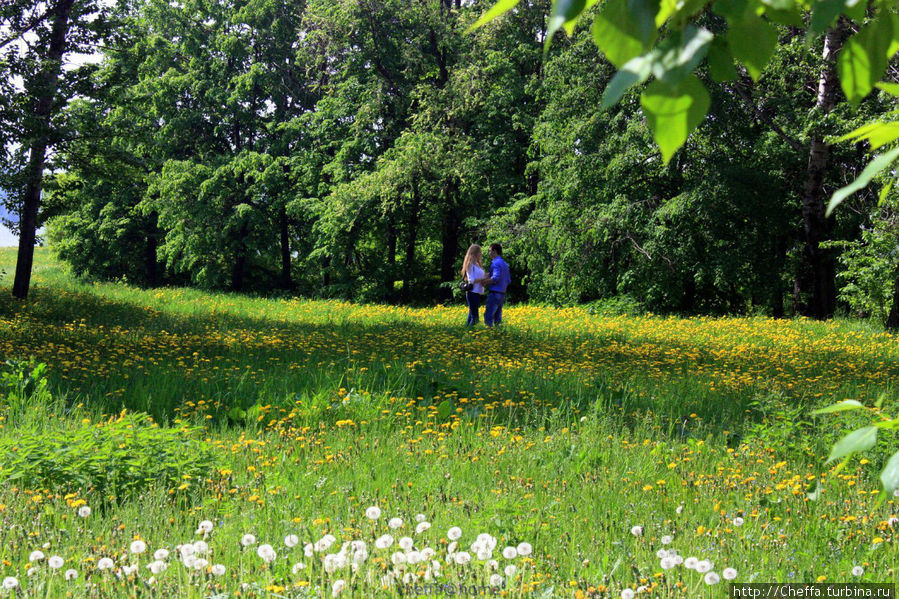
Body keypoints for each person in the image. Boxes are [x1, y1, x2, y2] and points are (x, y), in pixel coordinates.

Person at [477, 243, 511, 327]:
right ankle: (497, 335)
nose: (489, 253)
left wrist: (484, 282)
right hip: (502, 294)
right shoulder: (504, 264)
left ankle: (489, 336)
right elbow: (508, 280)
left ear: (494, 251)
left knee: (488, 316)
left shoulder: (495, 263)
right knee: (497, 318)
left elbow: (495, 278)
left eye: (489, 251)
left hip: (495, 293)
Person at [461, 244, 485, 326]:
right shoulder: (470, 264)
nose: (481, 254)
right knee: (475, 318)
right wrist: (483, 280)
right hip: (472, 293)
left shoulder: (477, 264)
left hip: (477, 292)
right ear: (475, 253)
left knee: (471, 315)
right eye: (479, 252)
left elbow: (482, 276)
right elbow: (471, 280)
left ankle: (466, 333)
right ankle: (471, 335)